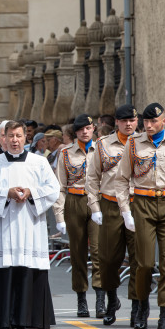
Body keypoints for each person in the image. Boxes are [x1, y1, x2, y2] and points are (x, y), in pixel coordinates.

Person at [0, 120, 60, 329]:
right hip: (3, 228)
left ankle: (22, 324)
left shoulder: (39, 163)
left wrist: (32, 192)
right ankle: (3, 321)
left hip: (30, 227)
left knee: (26, 274)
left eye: (19, 136)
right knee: (4, 275)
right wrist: (5, 194)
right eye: (10, 136)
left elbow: (53, 189)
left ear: (26, 138)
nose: (14, 140)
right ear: (3, 138)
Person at [112, 103, 165, 329]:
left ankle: (164, 318)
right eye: (145, 122)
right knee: (144, 263)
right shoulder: (133, 143)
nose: (148, 126)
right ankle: (141, 307)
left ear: (163, 121)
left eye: (153, 122)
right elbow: (121, 179)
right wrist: (125, 211)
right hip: (143, 204)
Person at [86, 105, 139, 326]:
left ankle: (137, 308)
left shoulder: (145, 144)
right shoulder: (103, 145)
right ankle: (110, 300)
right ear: (116, 122)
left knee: (140, 261)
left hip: (138, 204)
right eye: (124, 120)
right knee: (108, 260)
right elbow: (92, 179)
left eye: (132, 120)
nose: (128, 124)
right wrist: (95, 208)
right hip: (111, 204)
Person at [54, 114, 102, 317]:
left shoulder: (101, 149)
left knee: (99, 252)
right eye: (81, 128)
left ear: (93, 129)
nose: (85, 131)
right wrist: (59, 216)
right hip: (75, 201)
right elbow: (60, 187)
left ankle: (101, 300)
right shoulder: (65, 153)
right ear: (75, 132)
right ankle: (81, 299)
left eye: (88, 128)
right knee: (78, 253)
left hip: (97, 201)